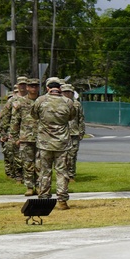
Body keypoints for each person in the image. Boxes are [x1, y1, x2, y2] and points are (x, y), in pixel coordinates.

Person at [32, 77, 76, 210]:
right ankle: (62, 200)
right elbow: (71, 117)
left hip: (44, 143)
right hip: (62, 143)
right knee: (62, 172)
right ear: (60, 88)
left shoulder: (40, 100)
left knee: (44, 171)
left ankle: (44, 199)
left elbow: (34, 115)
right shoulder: (68, 102)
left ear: (47, 88)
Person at [10, 78, 40, 195]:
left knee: (40, 165)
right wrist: (15, 138)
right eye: (31, 86)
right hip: (25, 138)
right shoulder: (21, 102)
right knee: (27, 164)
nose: (34, 88)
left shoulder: (43, 101)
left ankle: (39, 186)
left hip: (41, 138)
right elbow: (15, 121)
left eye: (36, 86)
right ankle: (29, 187)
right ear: (27, 87)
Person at [0, 77, 26, 182]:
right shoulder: (12, 100)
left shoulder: (33, 99)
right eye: (21, 84)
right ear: (17, 85)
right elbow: (5, 116)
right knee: (16, 155)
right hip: (15, 131)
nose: (22, 86)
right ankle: (18, 176)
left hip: (29, 131)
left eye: (24, 84)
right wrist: (3, 133)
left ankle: (29, 177)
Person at [61, 84, 85, 187]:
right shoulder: (59, 103)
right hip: (61, 133)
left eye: (69, 92)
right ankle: (62, 175)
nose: (67, 94)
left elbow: (81, 118)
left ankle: (71, 175)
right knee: (62, 156)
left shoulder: (77, 104)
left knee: (72, 155)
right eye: (65, 92)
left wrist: (81, 132)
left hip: (74, 133)